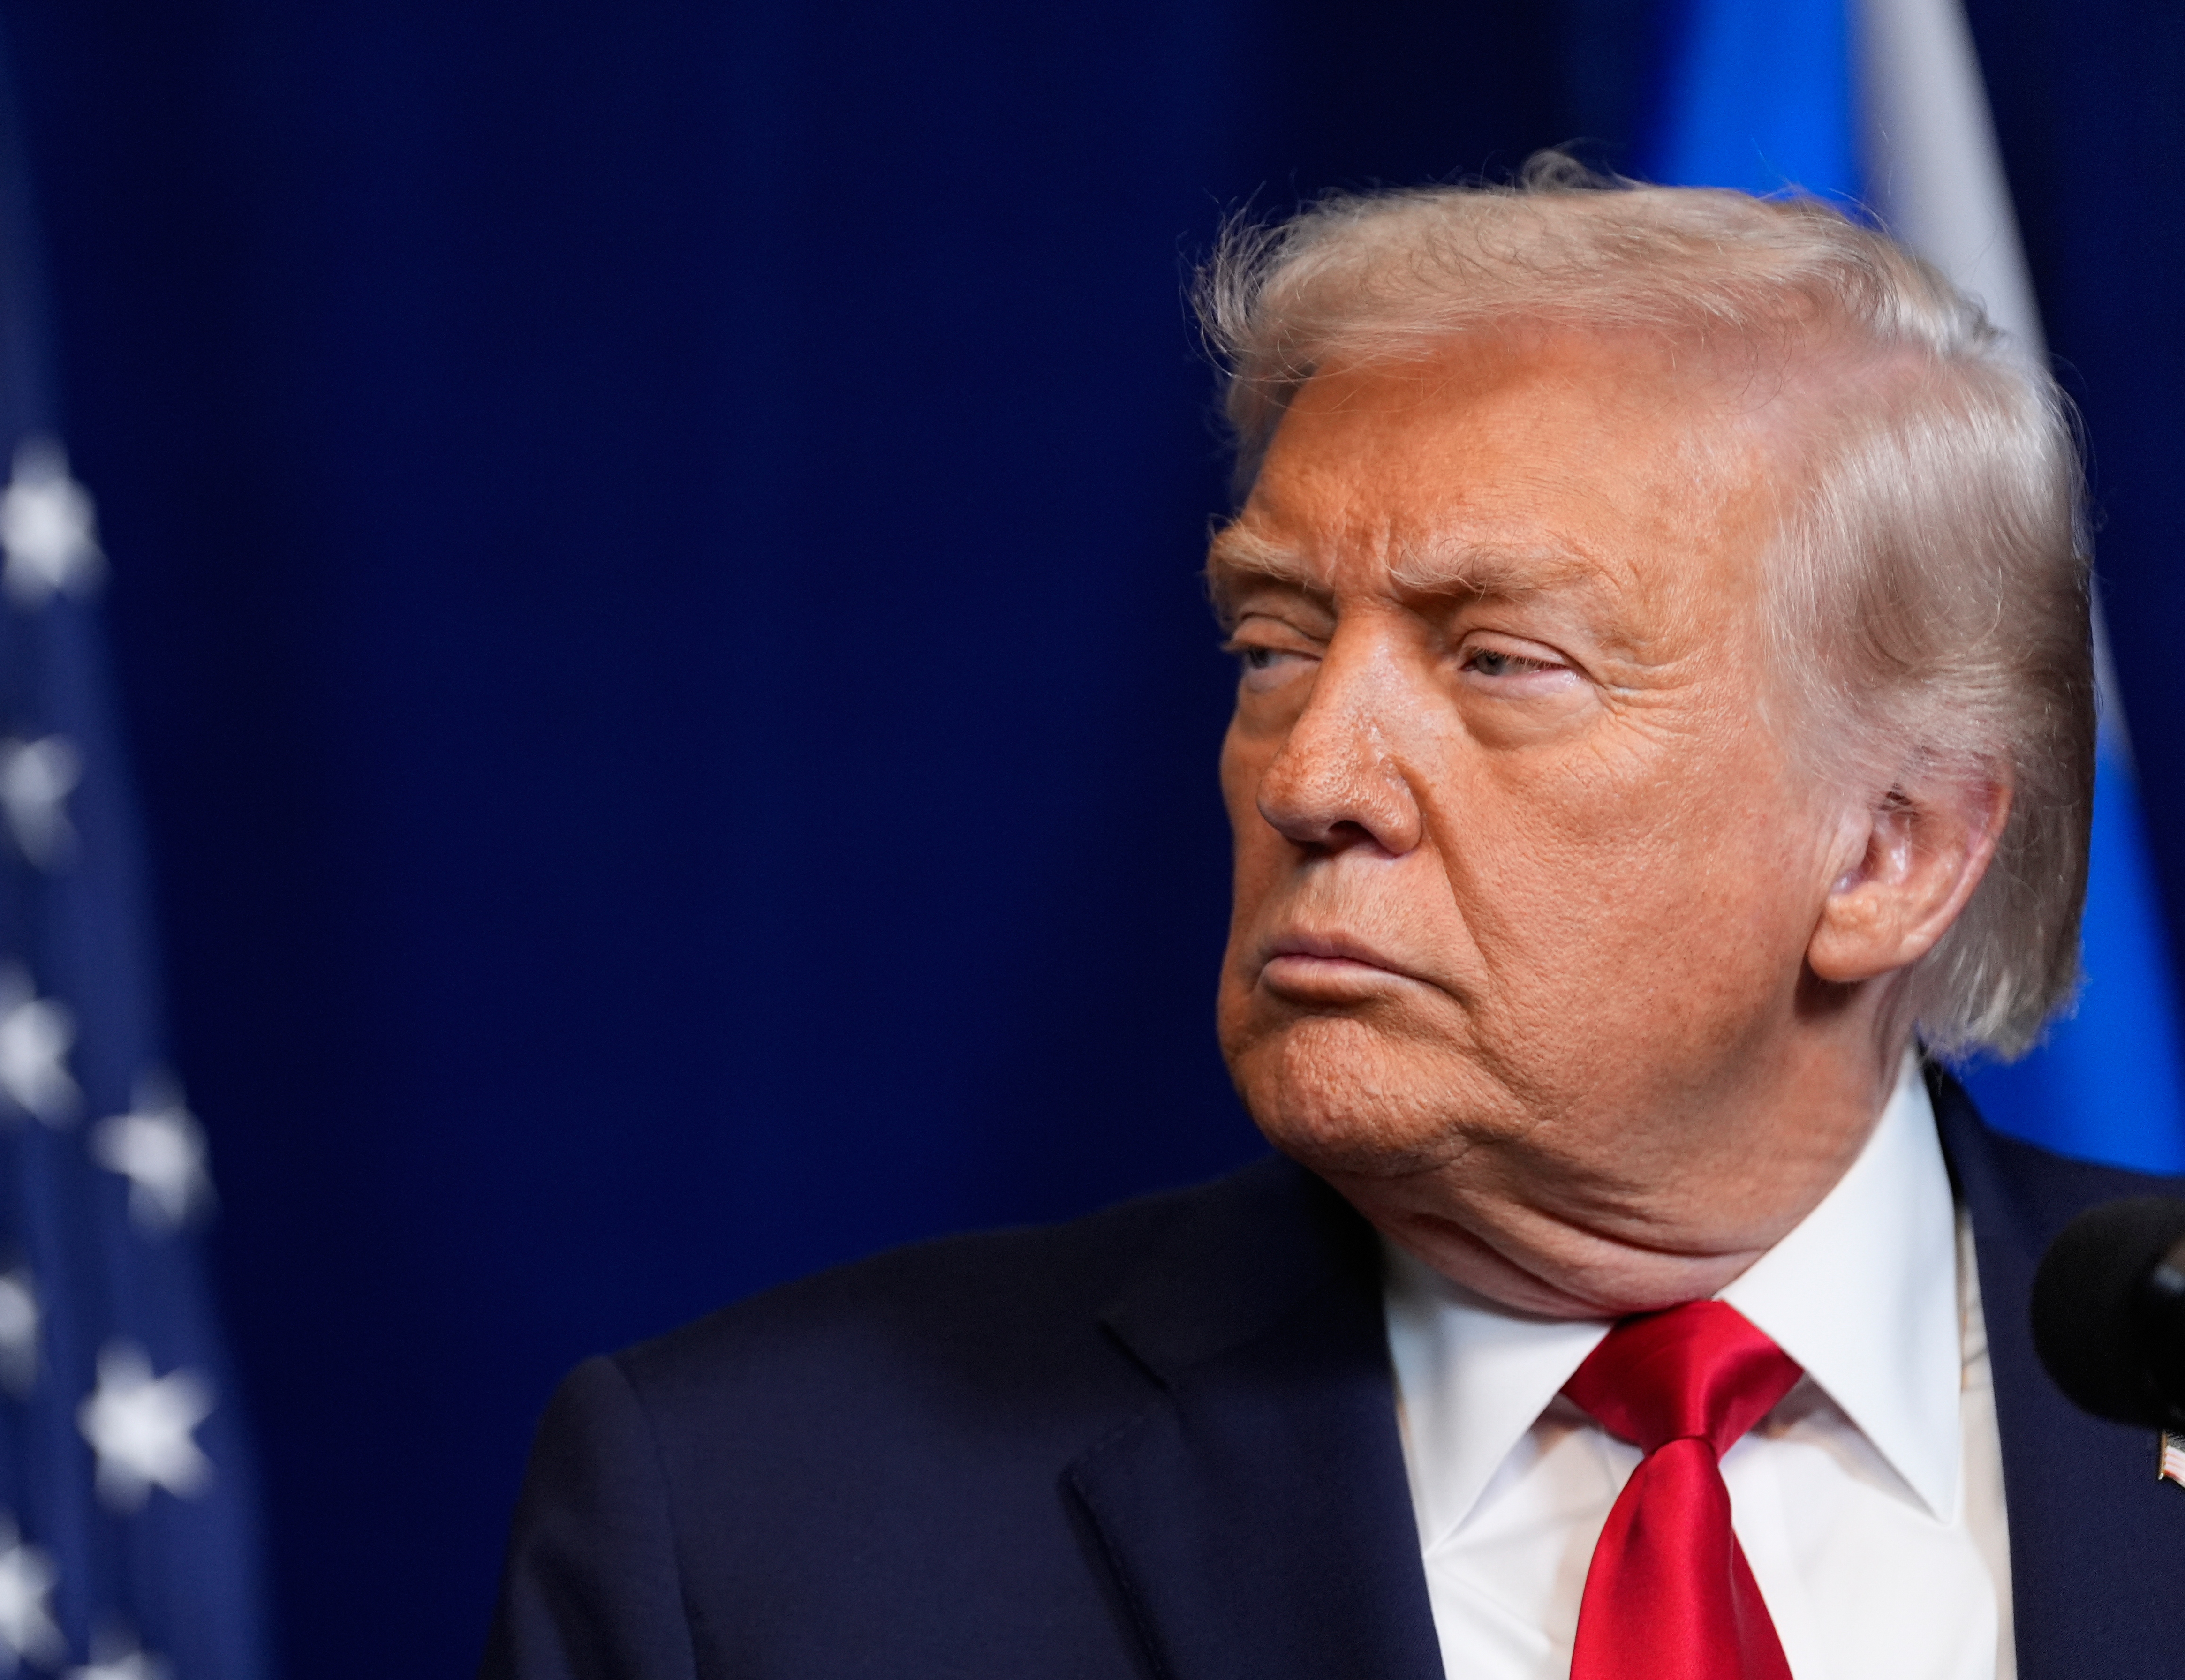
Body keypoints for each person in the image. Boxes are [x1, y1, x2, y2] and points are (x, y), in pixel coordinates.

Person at [481, 164, 2184, 1680]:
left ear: (1890, 856)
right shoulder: (753, 1523)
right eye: (1274, 646)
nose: (1310, 774)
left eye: (1499, 660)